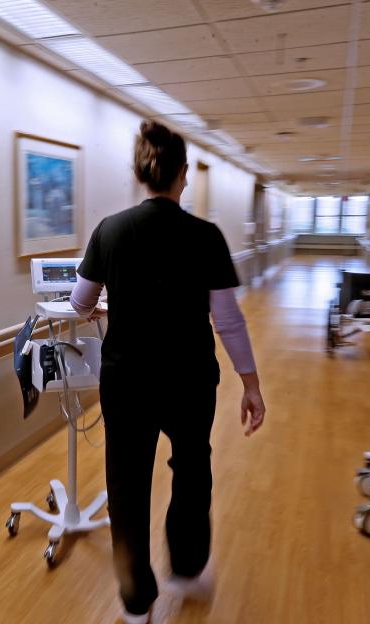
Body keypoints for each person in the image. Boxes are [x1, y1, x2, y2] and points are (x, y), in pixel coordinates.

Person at [69, 120, 266, 623]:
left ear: (141, 175)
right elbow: (227, 319)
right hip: (189, 379)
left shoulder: (109, 230)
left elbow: (80, 301)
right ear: (183, 175)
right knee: (192, 470)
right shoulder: (206, 236)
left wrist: (115, 298)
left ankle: (137, 603)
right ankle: (187, 566)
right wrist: (251, 384)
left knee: (128, 486)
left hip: (127, 381)